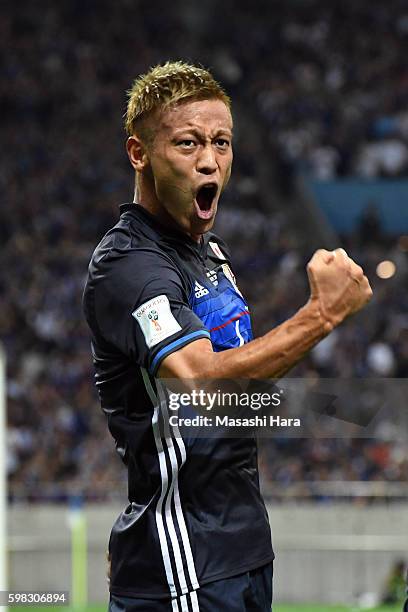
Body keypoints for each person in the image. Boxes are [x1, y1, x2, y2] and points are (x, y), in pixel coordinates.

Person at [83, 61, 372, 612]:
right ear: (139, 153)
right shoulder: (129, 264)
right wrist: (321, 315)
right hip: (186, 561)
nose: (211, 161)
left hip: (239, 549)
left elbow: (235, 400)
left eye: (222, 142)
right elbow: (202, 387)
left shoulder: (209, 255)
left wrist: (349, 411)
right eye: (188, 143)